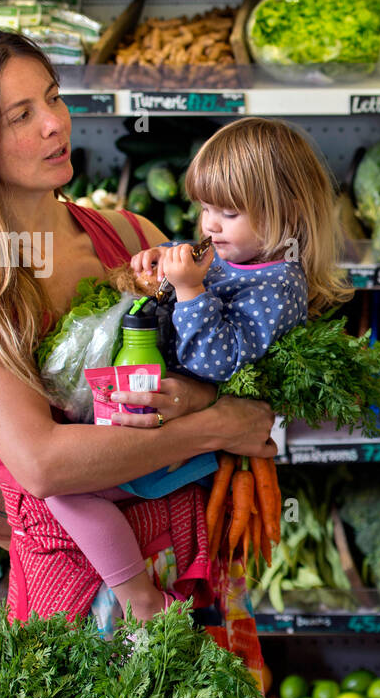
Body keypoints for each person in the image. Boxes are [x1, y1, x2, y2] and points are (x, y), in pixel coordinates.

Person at [0, 31, 277, 625]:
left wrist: (201, 396)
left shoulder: (129, 236)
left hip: (193, 557)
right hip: (84, 595)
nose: (55, 124)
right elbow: (44, 464)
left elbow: (232, 358)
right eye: (22, 115)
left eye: (53, 97)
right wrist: (214, 426)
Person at [41, 117, 351, 615]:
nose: (209, 225)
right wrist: (160, 263)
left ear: (287, 212)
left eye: (228, 212)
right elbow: (197, 280)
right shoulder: (242, 257)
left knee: (66, 491)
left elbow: (217, 358)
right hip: (172, 418)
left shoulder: (278, 288)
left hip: (191, 445)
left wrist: (188, 288)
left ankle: (140, 601)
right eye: (206, 208)